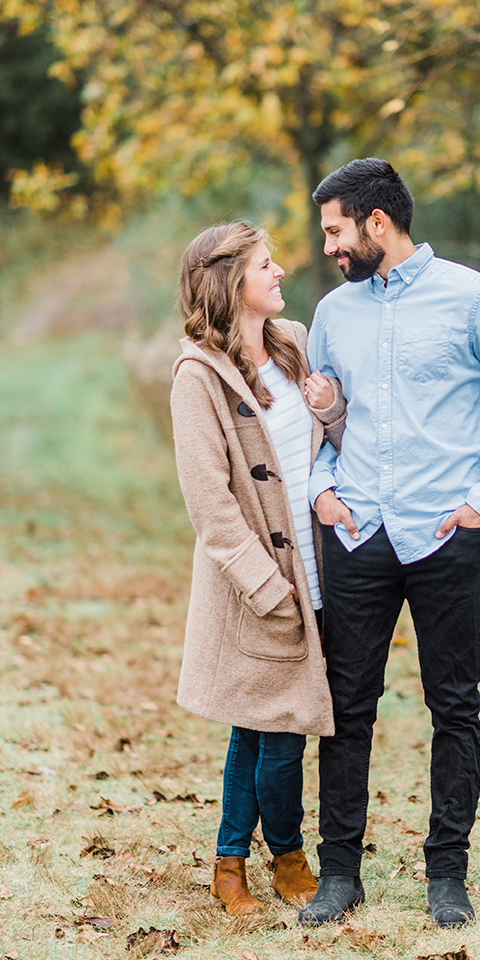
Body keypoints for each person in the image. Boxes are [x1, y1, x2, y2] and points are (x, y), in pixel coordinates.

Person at [298, 158, 480, 929]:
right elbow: (317, 419)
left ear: (378, 223)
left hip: (446, 533)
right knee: (345, 707)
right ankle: (339, 874)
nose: (330, 248)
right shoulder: (333, 314)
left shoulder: (475, 300)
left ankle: (447, 877)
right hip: (357, 530)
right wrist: (318, 490)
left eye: (337, 231)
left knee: (454, 705)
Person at [171, 222, 345, 915]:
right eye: (265, 265)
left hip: (317, 567)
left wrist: (329, 411)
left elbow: (332, 443)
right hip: (260, 585)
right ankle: (290, 859)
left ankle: (228, 865)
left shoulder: (295, 342)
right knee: (279, 730)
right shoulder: (197, 376)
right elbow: (209, 502)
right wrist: (267, 588)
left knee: (258, 724)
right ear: (229, 283)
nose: (280, 273)